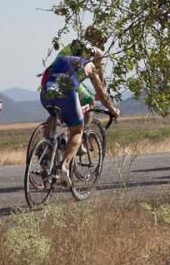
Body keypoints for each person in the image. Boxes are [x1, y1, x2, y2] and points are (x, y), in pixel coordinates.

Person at [39, 39, 120, 187]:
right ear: (87, 54)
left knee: (55, 115)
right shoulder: (88, 65)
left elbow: (45, 76)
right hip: (67, 94)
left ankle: (49, 148)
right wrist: (113, 110)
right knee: (77, 131)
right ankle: (64, 166)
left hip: (45, 93)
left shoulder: (61, 59)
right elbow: (101, 93)